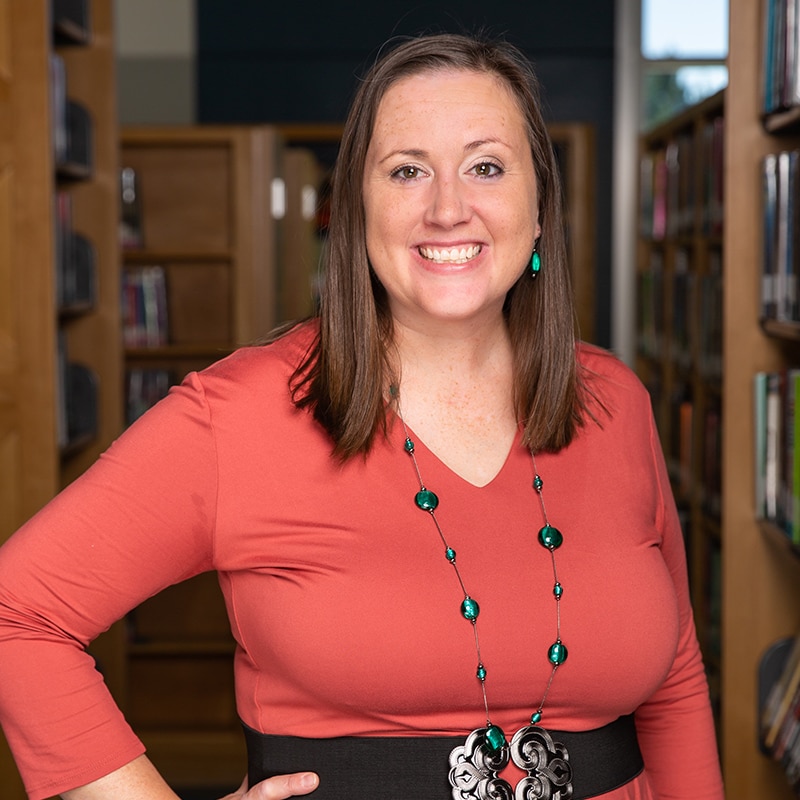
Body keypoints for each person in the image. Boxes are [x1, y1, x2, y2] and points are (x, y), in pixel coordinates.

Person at [0, 31, 724, 800]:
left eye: (486, 166)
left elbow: (672, 671)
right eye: (407, 171)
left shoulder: (617, 401)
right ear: (353, 209)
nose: (448, 208)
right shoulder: (239, 415)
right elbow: (18, 612)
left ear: (540, 207)